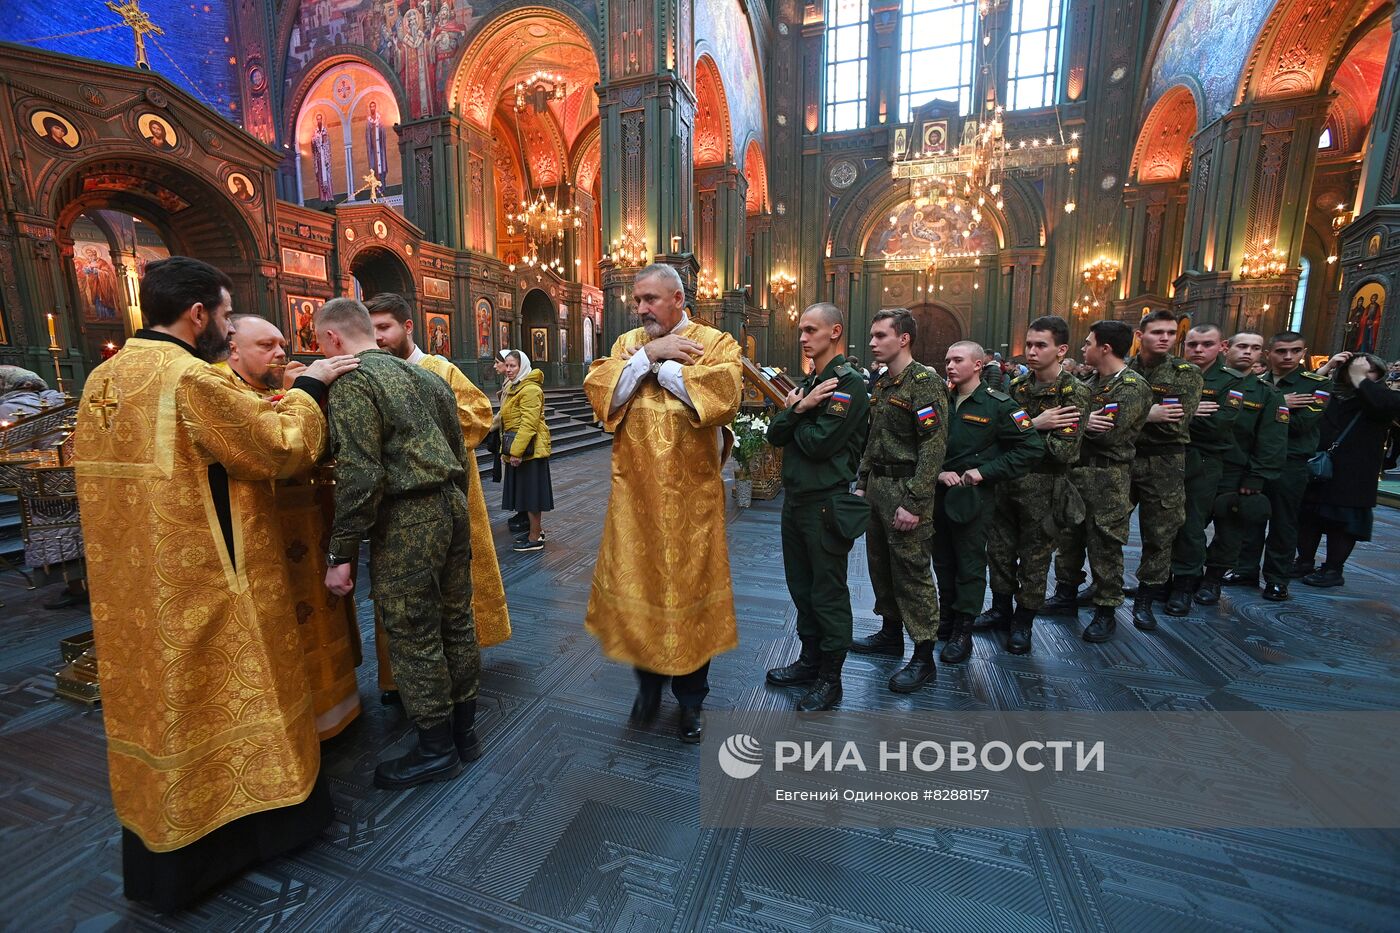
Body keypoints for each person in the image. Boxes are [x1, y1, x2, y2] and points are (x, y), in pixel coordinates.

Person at [73, 256, 358, 911]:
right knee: (230, 692)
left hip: (133, 587)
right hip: (206, 578)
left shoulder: (102, 379)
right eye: (226, 316)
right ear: (198, 313)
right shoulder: (188, 377)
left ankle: (166, 855)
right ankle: (256, 831)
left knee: (164, 708)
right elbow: (276, 445)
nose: (226, 330)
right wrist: (312, 385)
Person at [316, 297, 482, 790]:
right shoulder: (430, 376)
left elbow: (361, 475)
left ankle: (434, 749)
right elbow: (459, 450)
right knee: (457, 619)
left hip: (408, 517)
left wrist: (340, 553)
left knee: (413, 630)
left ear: (331, 340)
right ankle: (464, 734)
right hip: (451, 505)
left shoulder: (354, 381)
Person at [583, 263, 742, 743]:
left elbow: (723, 397)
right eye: (637, 300)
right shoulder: (629, 342)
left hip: (693, 504)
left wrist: (666, 366)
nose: (640, 308)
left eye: (650, 299)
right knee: (642, 594)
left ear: (678, 298)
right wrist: (649, 354)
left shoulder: (717, 343)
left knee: (691, 599)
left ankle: (691, 702)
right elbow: (603, 394)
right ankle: (648, 688)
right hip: (636, 498)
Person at [216, 312, 363, 739]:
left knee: (325, 611)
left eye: (281, 343)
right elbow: (272, 446)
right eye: (266, 346)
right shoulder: (217, 388)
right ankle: (297, 722)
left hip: (314, 521)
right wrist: (303, 392)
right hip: (267, 535)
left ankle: (338, 706)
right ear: (232, 347)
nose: (280, 352)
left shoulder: (276, 386)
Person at [365, 293, 512, 705]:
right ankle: (398, 676)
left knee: (451, 588)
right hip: (395, 503)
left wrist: (416, 433)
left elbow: (481, 415)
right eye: (370, 329)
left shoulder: (439, 369)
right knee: (399, 593)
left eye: (385, 328)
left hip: (448, 493)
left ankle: (453, 675)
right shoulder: (368, 373)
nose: (377, 338)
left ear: (407, 327)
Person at [763, 303, 871, 711]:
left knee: (827, 592)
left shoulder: (848, 385)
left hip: (825, 504)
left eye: (811, 330)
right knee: (802, 588)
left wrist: (796, 414)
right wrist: (799, 409)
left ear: (835, 332)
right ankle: (810, 661)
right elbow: (776, 435)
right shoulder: (813, 384)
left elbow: (818, 443)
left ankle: (831, 677)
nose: (803, 337)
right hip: (796, 503)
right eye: (801, 330)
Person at [848, 309, 949, 693]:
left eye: (879, 336)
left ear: (903, 339)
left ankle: (924, 656)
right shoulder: (885, 383)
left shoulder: (923, 382)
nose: (872, 342)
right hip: (878, 489)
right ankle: (890, 634)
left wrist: (916, 501)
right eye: (872, 336)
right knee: (881, 567)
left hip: (907, 490)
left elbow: (933, 446)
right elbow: (874, 439)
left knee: (912, 572)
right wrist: (861, 483)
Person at [982, 315, 1091, 654]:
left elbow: (1062, 451)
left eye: (1040, 345)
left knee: (1035, 558)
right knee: (998, 553)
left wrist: (1024, 432)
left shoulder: (1075, 392)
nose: (1031, 351)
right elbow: (997, 438)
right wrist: (1036, 425)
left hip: (1045, 489)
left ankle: (1024, 621)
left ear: (1061, 350)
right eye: (1029, 344)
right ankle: (1000, 610)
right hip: (1007, 486)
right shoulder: (1017, 388)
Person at [932, 341, 1042, 662]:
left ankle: (963, 630)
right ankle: (947, 618)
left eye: (957, 359)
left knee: (969, 563)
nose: (950, 365)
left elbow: (1030, 449)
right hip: (939, 495)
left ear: (978, 365)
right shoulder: (940, 401)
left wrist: (985, 472)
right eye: (947, 359)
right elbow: (923, 445)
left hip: (974, 498)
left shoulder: (999, 405)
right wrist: (938, 471)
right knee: (942, 561)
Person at [1045, 320, 1152, 642]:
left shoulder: (1132, 386)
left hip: (1108, 477)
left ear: (1105, 347)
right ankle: (1065, 594)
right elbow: (1078, 425)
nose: (1083, 348)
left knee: (1105, 546)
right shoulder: (1089, 382)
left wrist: (1071, 422)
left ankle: (1106, 609)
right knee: (1069, 540)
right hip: (1076, 473)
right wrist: (1081, 423)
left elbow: (1110, 433)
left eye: (1088, 342)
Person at [1228, 332, 1331, 600]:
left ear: (1303, 353)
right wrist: (1283, 403)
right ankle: (1245, 568)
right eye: (1281, 351)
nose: (1288, 357)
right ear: (1269, 353)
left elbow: (1300, 425)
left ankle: (1277, 579)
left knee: (1283, 523)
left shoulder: (1316, 385)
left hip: (1290, 463)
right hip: (1254, 461)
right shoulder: (1255, 383)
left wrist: (1270, 408)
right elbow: (1239, 420)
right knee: (1250, 516)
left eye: (1295, 351)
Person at [1123, 309, 1203, 630]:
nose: (1166, 339)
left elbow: (1174, 424)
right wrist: (1148, 415)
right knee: (1109, 528)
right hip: (1124, 460)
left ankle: (1146, 597)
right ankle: (1106, 591)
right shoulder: (1123, 369)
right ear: (1140, 336)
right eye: (1158, 332)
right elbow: (1101, 419)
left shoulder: (1186, 373)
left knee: (1160, 533)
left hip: (1164, 462)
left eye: (1171, 333)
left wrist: (1128, 418)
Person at [1195, 332, 1288, 604]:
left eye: (1255, 348)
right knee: (1188, 526)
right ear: (1227, 348)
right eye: (1242, 346)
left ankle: (1212, 580)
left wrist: (1257, 475)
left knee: (1230, 530)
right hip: (1199, 465)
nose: (1248, 352)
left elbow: (1272, 438)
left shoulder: (1266, 393)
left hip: (1235, 471)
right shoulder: (1202, 381)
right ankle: (1185, 575)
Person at [1294, 351, 1400, 586]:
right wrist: (1326, 368)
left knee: (1341, 522)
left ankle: (1333, 569)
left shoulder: (1379, 398)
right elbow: (1299, 393)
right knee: (1307, 518)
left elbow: (1387, 404)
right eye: (1357, 368)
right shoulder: (1330, 392)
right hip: (1317, 467)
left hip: (1354, 473)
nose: (1362, 372)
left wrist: (1360, 379)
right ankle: (1304, 561)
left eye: (1370, 370)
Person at [1163, 322, 1243, 615]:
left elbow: (1219, 424)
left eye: (1206, 344)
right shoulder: (1173, 375)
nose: (1198, 350)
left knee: (1190, 525)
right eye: (1192, 344)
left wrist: (1174, 414)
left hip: (1203, 461)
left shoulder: (1231, 381)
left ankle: (1185, 584)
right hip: (1167, 458)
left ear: (1222, 346)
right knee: (1161, 523)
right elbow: (1150, 411)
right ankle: (1161, 579)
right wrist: (1189, 412)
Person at [499, 349, 554, 550]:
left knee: (532, 496)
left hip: (530, 452)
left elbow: (529, 424)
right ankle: (535, 532)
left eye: (513, 366)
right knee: (527, 494)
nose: (508, 370)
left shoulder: (530, 389)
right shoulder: (516, 387)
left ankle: (534, 538)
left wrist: (516, 451)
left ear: (522, 366)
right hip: (523, 450)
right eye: (506, 365)